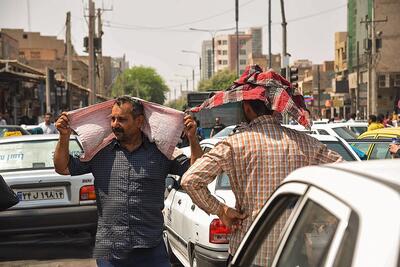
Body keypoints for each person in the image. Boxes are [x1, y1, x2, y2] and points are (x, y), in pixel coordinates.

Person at [181, 67, 342, 266]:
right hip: (292, 254)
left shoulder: (234, 144)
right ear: (275, 108)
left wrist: (221, 210)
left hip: (248, 252)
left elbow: (190, 180)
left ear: (247, 108)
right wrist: (317, 214)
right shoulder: (305, 143)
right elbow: (346, 175)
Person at [53, 96, 202, 267]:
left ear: (139, 121)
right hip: (110, 251)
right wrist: (64, 136)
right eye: (113, 118)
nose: (115, 124)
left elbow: (196, 173)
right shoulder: (99, 153)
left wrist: (192, 138)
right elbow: (62, 167)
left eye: (122, 119)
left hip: (151, 249)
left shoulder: (162, 153)